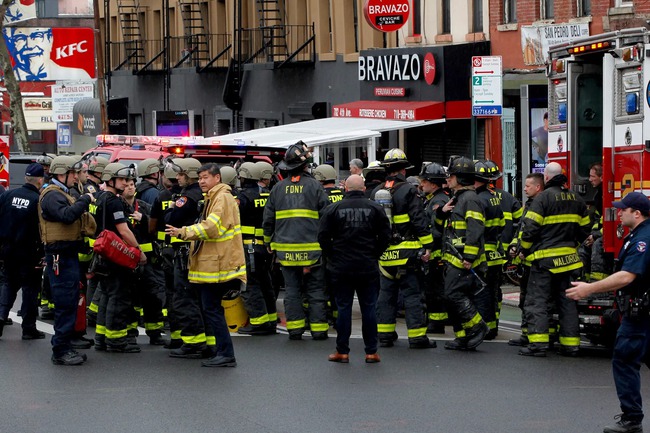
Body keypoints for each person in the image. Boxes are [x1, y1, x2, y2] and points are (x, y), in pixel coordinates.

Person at [567, 192, 650, 433]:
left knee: (624, 360)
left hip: (640, 316)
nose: (619, 212)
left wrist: (589, 289)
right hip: (641, 312)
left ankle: (632, 419)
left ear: (637, 213)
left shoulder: (643, 239)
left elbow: (627, 276)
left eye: (623, 209)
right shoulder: (637, 235)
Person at [166, 163, 246, 368]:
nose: (201, 181)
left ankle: (226, 354)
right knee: (211, 308)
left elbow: (211, 228)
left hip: (218, 265)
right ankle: (222, 351)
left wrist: (183, 232)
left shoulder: (222, 198)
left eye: (205, 177)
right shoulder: (213, 197)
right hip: (213, 264)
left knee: (211, 308)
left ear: (217, 178)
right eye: (200, 177)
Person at [518, 162, 590, 357]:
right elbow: (585, 231)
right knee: (567, 302)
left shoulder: (542, 199)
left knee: (537, 301)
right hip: (569, 261)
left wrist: (522, 251)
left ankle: (538, 344)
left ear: (547, 178)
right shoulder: (577, 199)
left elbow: (530, 230)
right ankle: (571, 345)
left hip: (545, 261)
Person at [262, 141, 331, 340]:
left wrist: (268, 243)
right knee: (316, 291)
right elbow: (326, 218)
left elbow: (268, 220)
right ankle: (318, 330)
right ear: (306, 165)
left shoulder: (277, 189)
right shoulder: (316, 187)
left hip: (285, 252)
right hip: (313, 252)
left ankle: (295, 330)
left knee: (291, 291)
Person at [319, 174, 391, 363]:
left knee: (343, 308)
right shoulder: (375, 208)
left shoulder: (333, 209)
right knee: (369, 308)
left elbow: (323, 237)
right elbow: (385, 236)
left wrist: (332, 255)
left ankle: (342, 351)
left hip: (341, 266)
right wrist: (375, 254)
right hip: (367, 265)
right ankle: (371, 352)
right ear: (364, 188)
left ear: (346, 188)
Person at [371, 148, 436, 349]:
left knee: (386, 296)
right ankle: (417, 337)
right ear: (404, 170)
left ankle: (384, 336)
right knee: (412, 295)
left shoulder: (376, 192)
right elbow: (418, 220)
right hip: (407, 254)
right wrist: (429, 245)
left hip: (384, 256)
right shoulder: (408, 190)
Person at [38, 156, 96, 365]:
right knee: (64, 301)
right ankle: (60, 350)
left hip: (67, 254)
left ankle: (65, 344)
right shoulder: (52, 196)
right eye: (74, 173)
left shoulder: (62, 193)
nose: (77, 178)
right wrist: (85, 200)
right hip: (59, 256)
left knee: (70, 299)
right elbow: (67, 216)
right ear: (63, 173)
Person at [435, 156, 489, 351]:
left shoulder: (470, 200)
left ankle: (477, 326)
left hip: (463, 261)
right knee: (450, 297)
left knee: (453, 295)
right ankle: (462, 337)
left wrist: (469, 257)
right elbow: (444, 228)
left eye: (451, 176)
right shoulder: (457, 198)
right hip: (452, 258)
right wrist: (441, 213)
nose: (448, 179)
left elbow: (475, 230)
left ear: (461, 178)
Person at [93, 163, 147, 353]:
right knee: (118, 298)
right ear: (111, 180)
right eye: (123, 179)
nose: (126, 183)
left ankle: (101, 338)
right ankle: (116, 341)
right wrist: (138, 251)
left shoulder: (99, 199)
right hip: (116, 257)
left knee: (106, 297)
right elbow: (123, 230)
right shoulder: (114, 201)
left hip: (103, 257)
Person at [0, 163, 45, 339]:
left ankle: (2, 316)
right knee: (30, 289)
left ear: (26, 178)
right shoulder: (38, 200)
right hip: (29, 252)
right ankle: (28, 328)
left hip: (8, 250)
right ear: (40, 180)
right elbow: (42, 229)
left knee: (8, 284)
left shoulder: (8, 195)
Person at [121, 178, 166, 345]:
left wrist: (144, 219)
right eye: (126, 186)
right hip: (127, 260)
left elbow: (156, 228)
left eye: (132, 185)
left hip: (147, 261)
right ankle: (130, 333)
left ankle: (155, 332)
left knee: (152, 296)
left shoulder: (144, 206)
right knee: (130, 297)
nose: (130, 188)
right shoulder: (118, 206)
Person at [236, 162, 276, 335]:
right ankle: (271, 320)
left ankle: (259, 322)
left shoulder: (242, 197)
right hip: (265, 246)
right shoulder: (268, 195)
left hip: (248, 247)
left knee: (249, 285)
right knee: (266, 283)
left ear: (243, 177)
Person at [508, 172, 545, 347]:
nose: (524, 189)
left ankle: (532, 335)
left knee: (532, 300)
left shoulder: (541, 205)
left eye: (528, 186)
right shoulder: (528, 205)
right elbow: (521, 230)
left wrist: (524, 249)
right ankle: (525, 333)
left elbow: (535, 233)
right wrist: (514, 246)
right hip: (525, 258)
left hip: (534, 260)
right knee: (525, 299)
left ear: (538, 187)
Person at [419, 162, 450, 334]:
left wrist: (429, 249)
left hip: (437, 254)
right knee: (431, 289)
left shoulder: (438, 201)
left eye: (424, 181)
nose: (421, 184)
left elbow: (436, 230)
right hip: (434, 253)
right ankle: (434, 319)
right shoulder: (432, 199)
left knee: (435, 289)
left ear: (433, 183)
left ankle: (436, 323)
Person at [4, 27, 92, 81]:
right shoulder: (5, 81)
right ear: (11, 45)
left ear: (50, 40)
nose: (29, 45)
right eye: (20, 38)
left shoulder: (78, 76)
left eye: (37, 36)